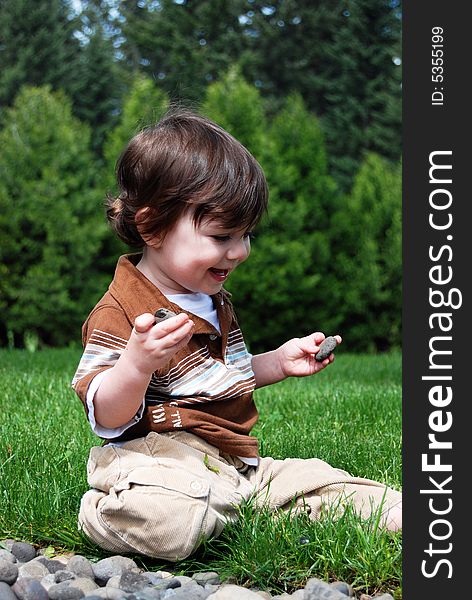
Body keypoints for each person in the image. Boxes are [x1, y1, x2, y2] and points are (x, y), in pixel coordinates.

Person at [72, 109, 401, 560]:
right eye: (222, 234)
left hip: (235, 463)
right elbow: (105, 413)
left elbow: (221, 378)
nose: (240, 251)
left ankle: (243, 507)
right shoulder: (123, 311)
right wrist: (136, 364)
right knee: (170, 518)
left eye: (246, 234)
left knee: (344, 492)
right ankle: (106, 510)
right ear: (151, 227)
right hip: (160, 460)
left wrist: (279, 362)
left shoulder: (213, 301)